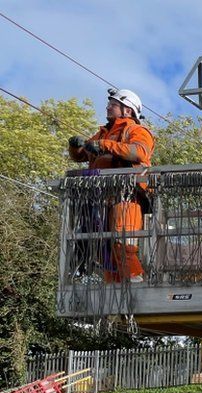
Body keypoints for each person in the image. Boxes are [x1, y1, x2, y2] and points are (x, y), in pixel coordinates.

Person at [68, 88, 154, 283]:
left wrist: (105, 145)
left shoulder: (137, 131)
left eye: (113, 105)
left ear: (128, 110)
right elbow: (81, 156)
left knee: (123, 244)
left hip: (126, 196)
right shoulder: (103, 132)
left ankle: (136, 285)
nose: (108, 107)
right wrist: (76, 147)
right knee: (104, 249)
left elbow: (139, 152)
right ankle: (114, 296)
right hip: (101, 198)